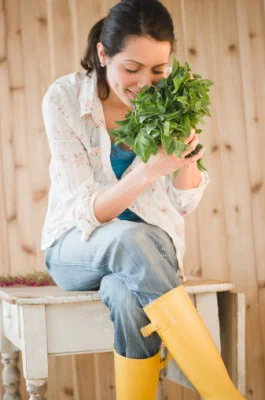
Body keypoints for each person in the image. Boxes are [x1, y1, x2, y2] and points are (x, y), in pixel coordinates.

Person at [41, 0, 245, 399]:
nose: (145, 83)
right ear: (103, 54)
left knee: (125, 294)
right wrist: (149, 169)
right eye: (131, 69)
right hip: (75, 247)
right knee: (128, 238)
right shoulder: (64, 99)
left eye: (158, 71)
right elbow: (88, 212)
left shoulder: (171, 99)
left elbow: (183, 203)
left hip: (151, 254)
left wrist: (186, 159)